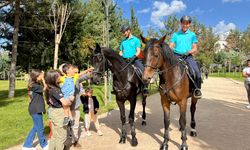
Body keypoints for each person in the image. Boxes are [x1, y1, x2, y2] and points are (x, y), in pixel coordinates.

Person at [169, 15, 202, 98]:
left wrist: (188, 52)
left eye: (187, 23)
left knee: (197, 72)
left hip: (188, 56)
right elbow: (171, 45)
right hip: (176, 56)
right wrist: (172, 49)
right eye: (183, 23)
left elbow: (195, 48)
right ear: (181, 23)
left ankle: (197, 89)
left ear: (189, 24)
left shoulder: (192, 35)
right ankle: (163, 88)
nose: (185, 25)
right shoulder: (175, 34)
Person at [45, 70, 73, 150]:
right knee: (61, 137)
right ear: (54, 78)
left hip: (53, 111)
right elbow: (65, 103)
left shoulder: (49, 88)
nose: (61, 77)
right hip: (59, 113)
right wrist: (70, 100)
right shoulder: (55, 90)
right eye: (59, 76)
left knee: (55, 135)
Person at [22, 69, 48, 150]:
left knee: (36, 127)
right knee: (40, 128)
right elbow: (45, 88)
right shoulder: (34, 85)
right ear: (37, 76)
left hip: (36, 108)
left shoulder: (35, 84)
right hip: (35, 109)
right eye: (40, 75)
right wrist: (43, 79)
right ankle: (44, 145)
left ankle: (26, 145)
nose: (42, 76)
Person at [119, 24, 148, 94]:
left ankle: (145, 88)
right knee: (117, 71)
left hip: (135, 60)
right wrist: (122, 56)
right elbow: (120, 52)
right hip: (125, 61)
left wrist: (134, 57)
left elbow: (138, 51)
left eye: (124, 32)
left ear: (129, 31)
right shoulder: (123, 42)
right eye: (123, 32)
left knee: (142, 70)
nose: (123, 34)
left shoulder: (136, 40)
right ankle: (118, 89)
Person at [70, 65, 94, 147]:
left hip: (75, 106)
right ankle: (63, 142)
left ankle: (74, 141)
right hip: (65, 107)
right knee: (65, 125)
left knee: (76, 124)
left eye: (78, 72)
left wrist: (91, 72)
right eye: (75, 72)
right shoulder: (63, 81)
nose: (77, 74)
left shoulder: (77, 80)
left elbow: (84, 77)